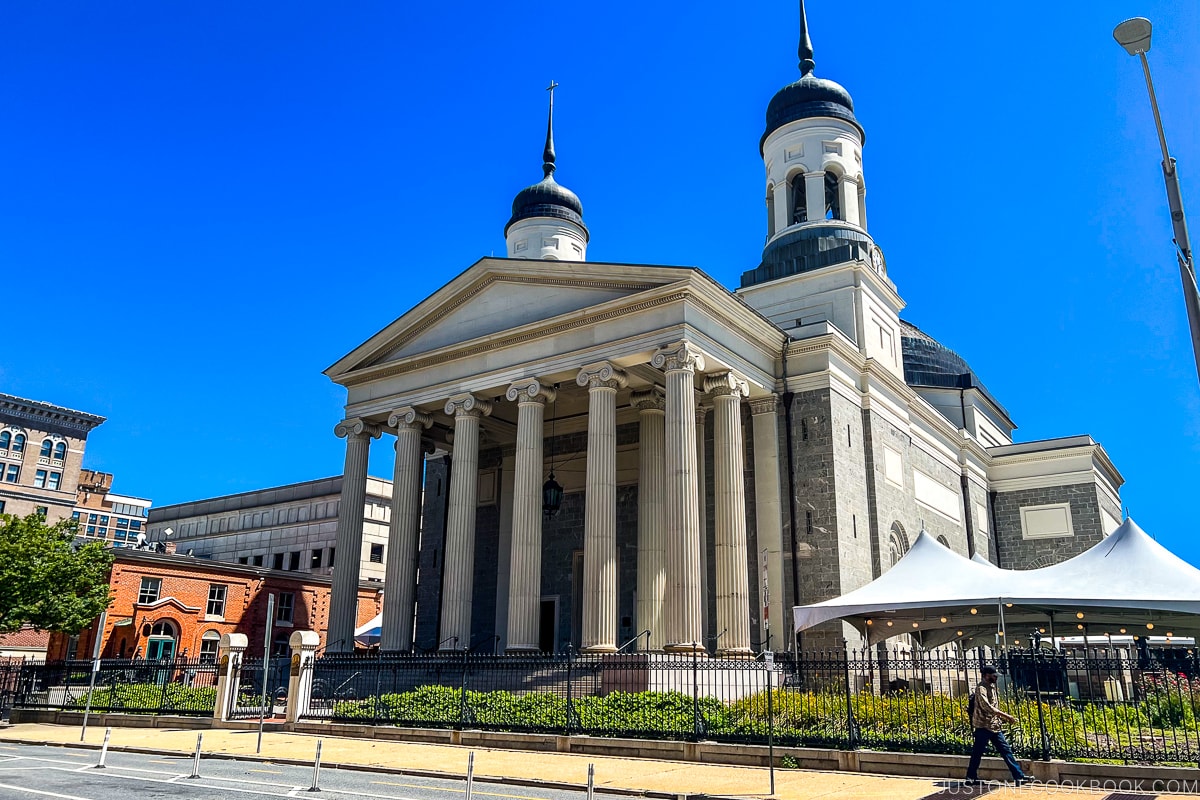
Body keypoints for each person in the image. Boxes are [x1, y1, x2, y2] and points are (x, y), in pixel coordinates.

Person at [965, 664, 1031, 785]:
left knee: (1006, 750)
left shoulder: (992, 687)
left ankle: (1019, 776)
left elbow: (994, 706)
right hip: (983, 726)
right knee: (977, 753)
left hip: (994, 726)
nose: (996, 677)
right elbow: (987, 707)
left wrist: (1000, 719)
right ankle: (971, 777)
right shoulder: (981, 688)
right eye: (994, 675)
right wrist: (1007, 716)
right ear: (986, 676)